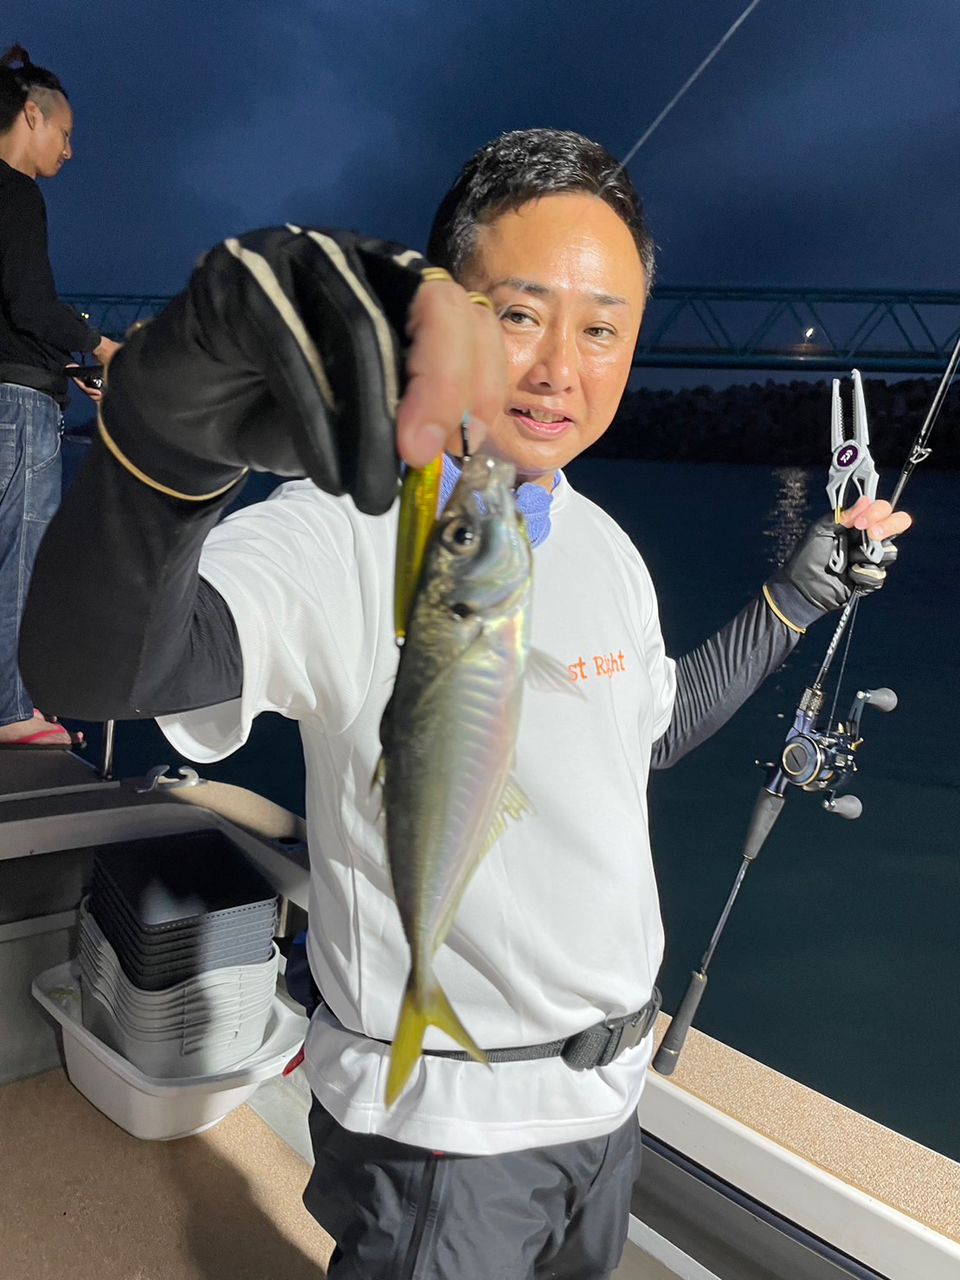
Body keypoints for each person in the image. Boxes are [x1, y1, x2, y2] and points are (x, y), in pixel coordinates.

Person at [22, 129, 911, 1277]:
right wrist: (160, 450)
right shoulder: (344, 525)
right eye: (520, 313)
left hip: (606, 1101)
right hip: (447, 1135)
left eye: (602, 329)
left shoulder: (602, 541)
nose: (559, 368)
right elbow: (100, 674)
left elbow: (648, 729)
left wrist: (794, 593)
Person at [0, 43, 119, 749]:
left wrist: (60, 358)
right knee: (21, 553)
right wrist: (100, 347)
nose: (69, 151)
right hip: (16, 408)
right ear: (33, 115)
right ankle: (11, 712)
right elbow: (31, 300)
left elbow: (14, 312)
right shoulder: (17, 192)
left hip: (14, 385)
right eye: (65, 134)